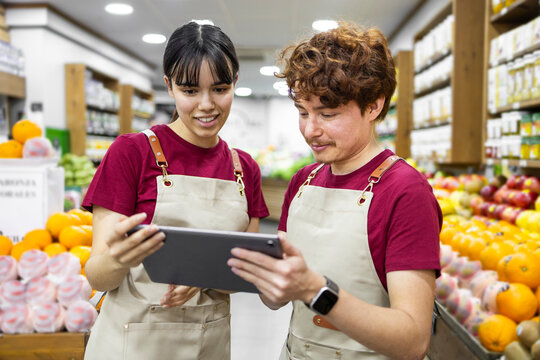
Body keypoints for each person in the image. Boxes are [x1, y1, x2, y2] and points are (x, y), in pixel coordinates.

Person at [228, 22, 441, 360]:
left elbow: (413, 340)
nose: (311, 130)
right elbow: (275, 299)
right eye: (302, 112)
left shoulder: (405, 191)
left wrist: (315, 290)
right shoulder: (303, 181)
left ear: (373, 106)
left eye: (328, 114)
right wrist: (265, 279)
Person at [82, 21, 269, 360]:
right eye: (190, 90)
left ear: (235, 84)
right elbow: (97, 274)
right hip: (131, 345)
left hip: (208, 344)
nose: (206, 105)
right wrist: (120, 256)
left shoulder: (244, 169)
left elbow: (244, 275)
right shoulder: (132, 153)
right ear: (169, 86)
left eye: (220, 88)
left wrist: (201, 277)